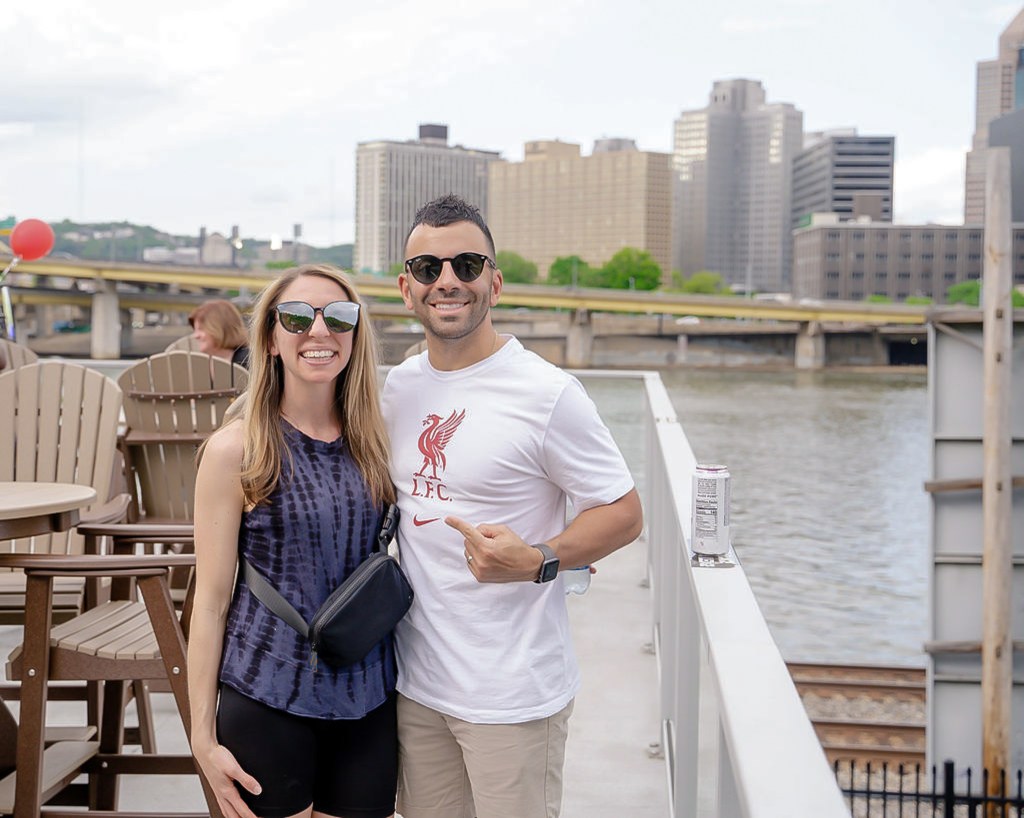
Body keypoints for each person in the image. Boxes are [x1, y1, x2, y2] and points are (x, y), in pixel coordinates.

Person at [381, 194, 643, 818]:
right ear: (406, 288)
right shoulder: (398, 386)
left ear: (493, 283)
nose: (448, 281)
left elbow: (624, 512)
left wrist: (541, 559)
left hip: (514, 696)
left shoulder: (548, 393)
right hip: (415, 685)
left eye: (467, 265)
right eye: (428, 269)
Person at [188, 264, 398, 818]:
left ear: (356, 334)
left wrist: (553, 548)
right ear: (272, 339)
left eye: (340, 317)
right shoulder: (238, 450)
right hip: (266, 690)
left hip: (369, 695)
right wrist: (201, 736)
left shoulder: (376, 441)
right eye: (298, 317)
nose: (319, 332)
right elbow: (208, 602)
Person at [188, 298, 251, 368]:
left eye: (201, 329)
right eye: (195, 330)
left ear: (219, 328)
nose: (195, 336)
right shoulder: (204, 364)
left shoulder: (247, 362)